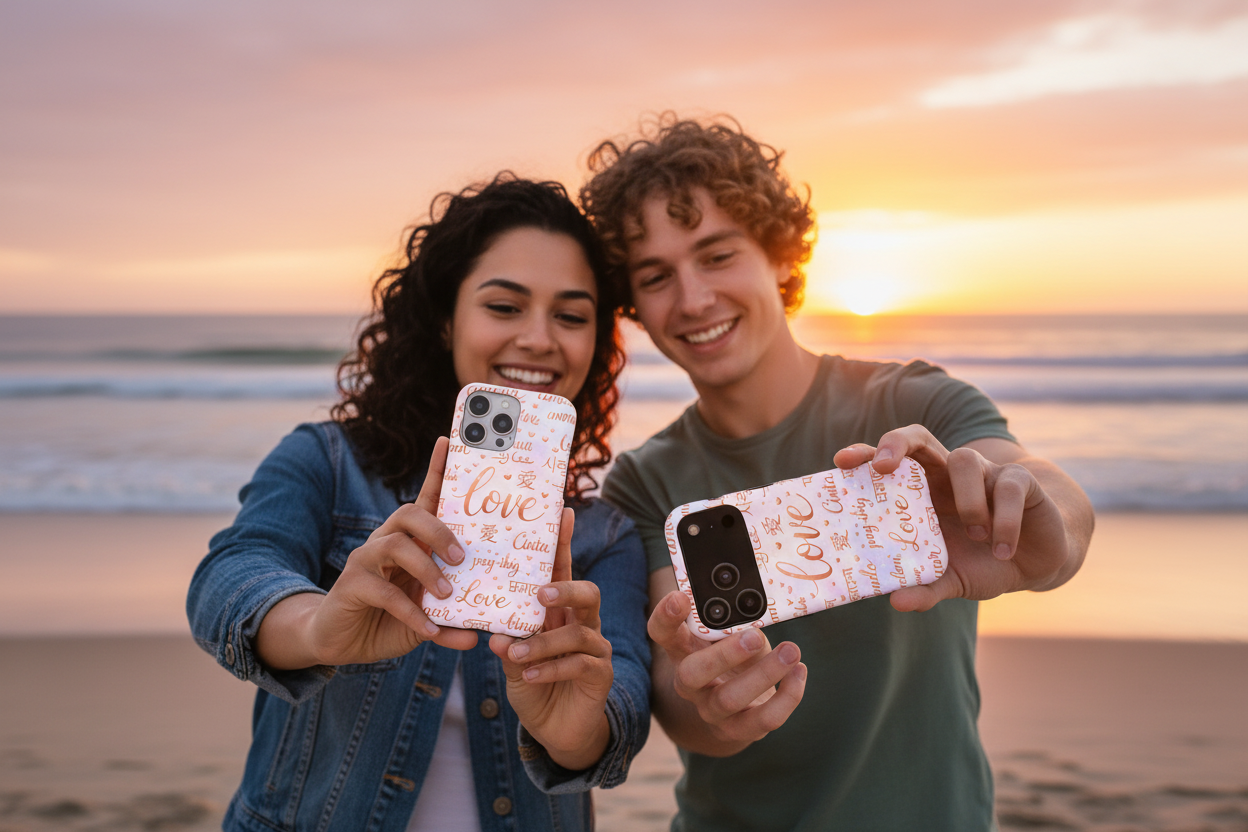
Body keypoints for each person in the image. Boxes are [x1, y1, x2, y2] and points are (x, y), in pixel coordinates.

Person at [580, 116, 1095, 830]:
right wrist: (713, 705)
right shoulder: (645, 482)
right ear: (637, 307)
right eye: (657, 276)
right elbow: (677, 694)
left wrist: (1046, 531)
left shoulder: (913, 404)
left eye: (718, 255)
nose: (693, 299)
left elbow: (1041, 486)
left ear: (783, 258)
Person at [187, 174, 650, 832]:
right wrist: (321, 628)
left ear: (596, 342)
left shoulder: (599, 535)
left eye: (571, 316)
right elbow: (229, 576)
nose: (541, 339)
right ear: (444, 320)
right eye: (504, 306)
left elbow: (623, 695)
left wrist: (575, 732)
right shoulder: (329, 462)